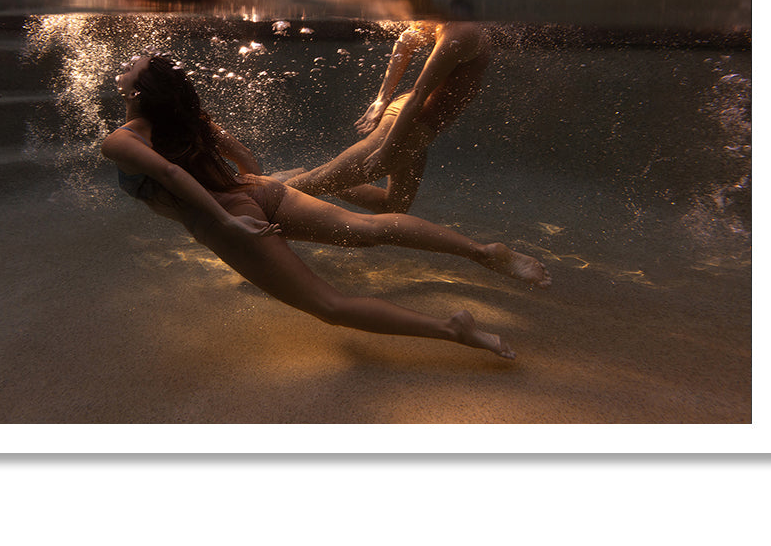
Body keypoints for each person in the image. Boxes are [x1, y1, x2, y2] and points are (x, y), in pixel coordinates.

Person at [100, 50, 551, 364]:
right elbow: (244, 156)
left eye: (131, 67)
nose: (124, 66)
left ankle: (453, 330)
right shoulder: (191, 121)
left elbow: (172, 175)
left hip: (228, 220)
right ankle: (482, 251)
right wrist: (249, 193)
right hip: (256, 191)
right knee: (368, 229)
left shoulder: (121, 140)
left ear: (138, 92)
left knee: (330, 305)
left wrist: (229, 222)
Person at [283, 17, 492, 213]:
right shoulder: (457, 28)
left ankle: (298, 178)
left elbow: (406, 41)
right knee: (320, 180)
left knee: (393, 207)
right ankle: (268, 193)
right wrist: (387, 142)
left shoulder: (458, 29)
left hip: (414, 125)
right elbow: (417, 91)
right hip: (408, 125)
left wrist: (387, 143)